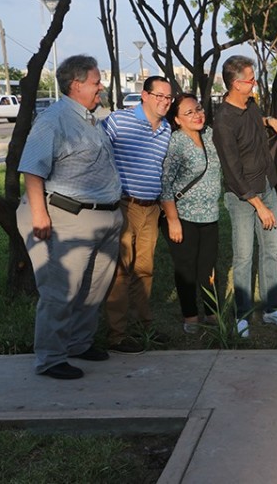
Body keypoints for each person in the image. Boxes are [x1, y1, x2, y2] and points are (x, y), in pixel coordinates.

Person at [17, 55, 123, 379]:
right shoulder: (55, 119)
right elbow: (31, 171)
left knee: (93, 287)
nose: (100, 86)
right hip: (64, 217)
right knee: (61, 290)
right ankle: (50, 358)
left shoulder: (90, 118)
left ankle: (78, 343)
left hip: (103, 217)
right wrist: (40, 217)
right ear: (76, 85)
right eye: (96, 81)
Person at [212, 55, 277, 337]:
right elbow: (232, 173)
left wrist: (271, 121)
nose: (254, 82)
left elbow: (252, 121)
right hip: (243, 198)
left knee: (271, 250)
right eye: (250, 79)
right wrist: (259, 205)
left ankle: (272, 309)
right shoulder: (223, 121)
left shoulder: (250, 106)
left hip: (266, 188)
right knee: (244, 256)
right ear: (236, 84)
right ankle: (243, 315)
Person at [103, 76, 173, 354]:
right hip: (123, 205)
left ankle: (144, 327)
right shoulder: (118, 121)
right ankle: (116, 335)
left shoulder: (166, 129)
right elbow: (95, 150)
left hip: (151, 209)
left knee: (144, 270)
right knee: (121, 272)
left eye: (169, 97)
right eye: (159, 96)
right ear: (144, 95)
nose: (165, 102)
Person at [160, 94, 222, 334]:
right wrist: (173, 221)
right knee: (186, 268)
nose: (197, 115)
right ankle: (191, 317)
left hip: (210, 215)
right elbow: (165, 184)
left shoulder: (210, 135)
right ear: (177, 119)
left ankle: (212, 312)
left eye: (198, 109)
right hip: (183, 217)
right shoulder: (176, 143)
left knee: (208, 268)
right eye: (189, 112)